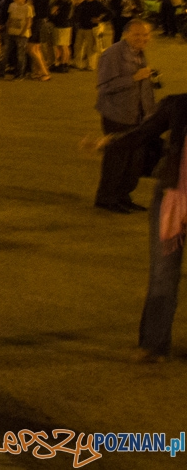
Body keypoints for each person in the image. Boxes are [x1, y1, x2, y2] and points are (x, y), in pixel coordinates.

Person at [99, 93, 187, 362]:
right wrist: (110, 143)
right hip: (174, 197)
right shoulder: (180, 104)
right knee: (163, 274)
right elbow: (145, 132)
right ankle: (153, 344)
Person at [95, 20, 157, 213]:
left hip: (138, 115)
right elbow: (104, 86)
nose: (142, 39)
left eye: (145, 35)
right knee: (117, 160)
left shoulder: (139, 53)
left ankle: (123, 196)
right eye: (137, 35)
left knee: (135, 161)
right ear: (126, 34)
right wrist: (134, 78)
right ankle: (106, 198)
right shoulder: (112, 54)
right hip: (117, 115)